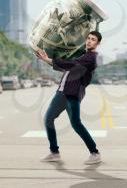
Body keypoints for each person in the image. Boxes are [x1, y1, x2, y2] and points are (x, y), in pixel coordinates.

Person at [36, 31, 102, 165]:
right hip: (62, 92)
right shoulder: (82, 54)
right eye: (88, 38)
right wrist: (49, 58)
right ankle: (54, 152)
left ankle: (95, 153)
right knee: (49, 119)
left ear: (98, 43)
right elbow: (66, 67)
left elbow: (71, 65)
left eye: (93, 39)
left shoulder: (91, 58)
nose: (89, 41)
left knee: (76, 124)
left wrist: (49, 59)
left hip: (71, 94)